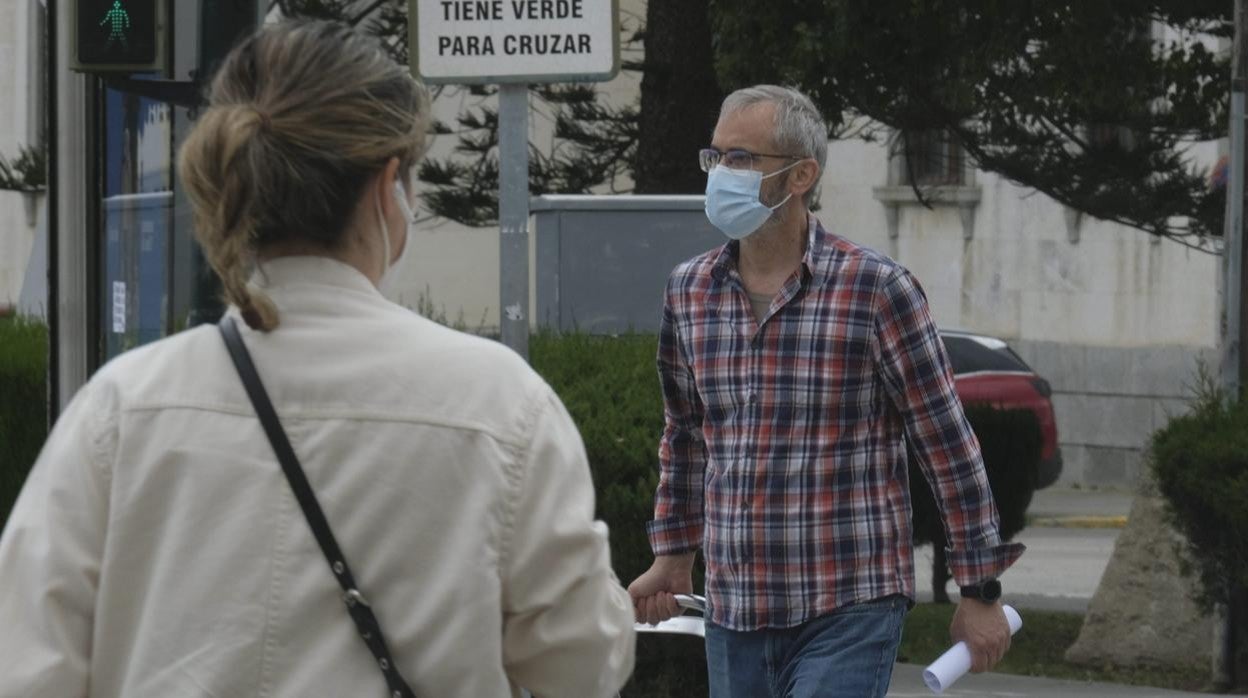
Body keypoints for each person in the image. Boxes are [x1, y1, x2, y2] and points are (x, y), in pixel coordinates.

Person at [0, 20, 634, 698]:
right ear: (388, 184)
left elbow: (28, 664)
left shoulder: (122, 405)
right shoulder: (503, 404)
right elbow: (579, 663)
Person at [627, 85, 1025, 697]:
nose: (720, 174)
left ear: (799, 176)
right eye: (715, 157)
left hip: (849, 600)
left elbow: (946, 443)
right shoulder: (689, 291)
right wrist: (674, 552)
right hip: (736, 606)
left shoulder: (876, 291)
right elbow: (685, 433)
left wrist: (979, 590)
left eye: (741, 159)